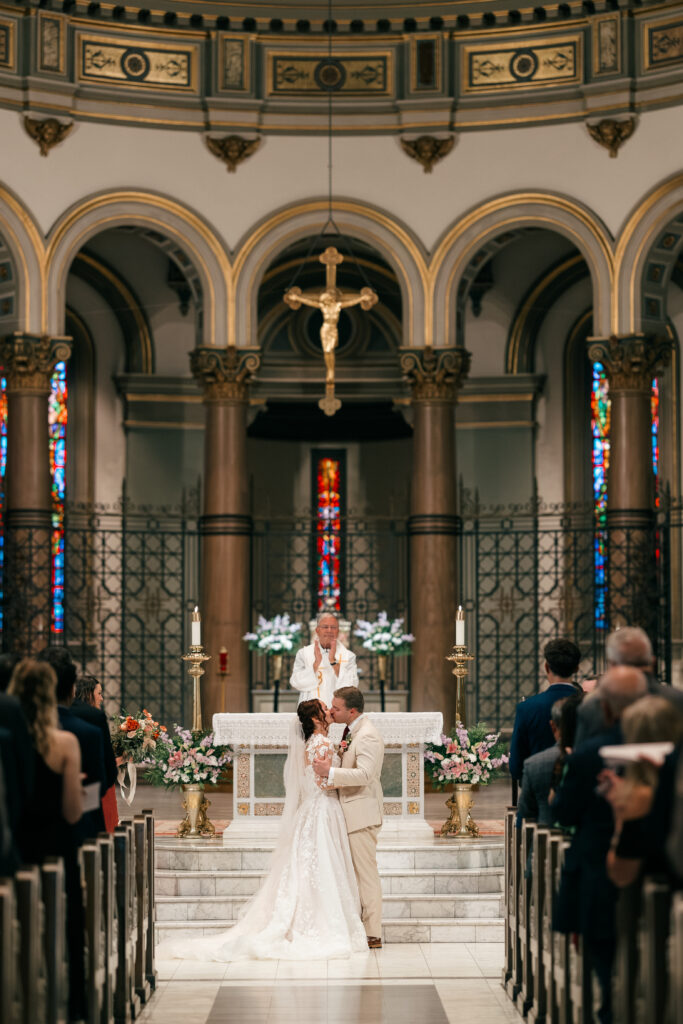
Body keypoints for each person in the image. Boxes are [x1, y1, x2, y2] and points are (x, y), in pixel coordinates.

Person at [158, 698, 368, 962]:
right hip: (324, 809)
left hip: (315, 812)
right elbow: (323, 783)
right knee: (323, 865)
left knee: (310, 868)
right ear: (315, 719)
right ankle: (325, 923)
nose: (328, 712)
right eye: (324, 709)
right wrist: (346, 782)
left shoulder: (310, 743)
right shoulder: (322, 743)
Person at [551, 666, 648, 1024]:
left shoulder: (590, 753)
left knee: (603, 950)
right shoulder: (667, 748)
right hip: (649, 864)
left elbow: (565, 812)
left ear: (605, 708)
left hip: (598, 867)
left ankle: (609, 1006)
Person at [8, 659, 85, 1022]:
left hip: (18, 845)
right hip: (56, 847)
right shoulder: (65, 743)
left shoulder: (9, 741)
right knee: (67, 926)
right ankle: (74, 1005)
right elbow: (73, 812)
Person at [313, 685, 385, 948]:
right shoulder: (351, 730)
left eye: (337, 708)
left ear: (352, 710)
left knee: (366, 874)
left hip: (361, 813)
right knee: (354, 874)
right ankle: (359, 926)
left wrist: (329, 772)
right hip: (349, 811)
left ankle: (373, 932)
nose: (331, 711)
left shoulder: (367, 736)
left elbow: (365, 775)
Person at [38, 646, 107, 839]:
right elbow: (101, 782)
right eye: (99, 693)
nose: (101, 698)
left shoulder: (20, 727)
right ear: (71, 689)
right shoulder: (87, 730)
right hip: (77, 828)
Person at [574, 626, 683, 748]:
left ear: (612, 665)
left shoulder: (594, 706)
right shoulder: (677, 700)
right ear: (653, 661)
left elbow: (581, 759)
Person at [509, 638, 581, 781]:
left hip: (538, 787)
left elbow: (516, 767)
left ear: (546, 667)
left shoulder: (527, 708)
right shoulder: (589, 704)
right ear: (576, 668)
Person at [71, 674, 118, 832]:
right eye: (99, 693)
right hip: (92, 786)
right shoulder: (94, 717)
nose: (102, 698)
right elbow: (104, 760)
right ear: (88, 693)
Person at [289, 611, 359, 707]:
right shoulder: (304, 653)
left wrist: (333, 661)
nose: (329, 630)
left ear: (338, 631)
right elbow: (295, 682)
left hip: (339, 712)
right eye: (325, 627)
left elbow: (352, 685)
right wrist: (315, 664)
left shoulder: (349, 656)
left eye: (333, 627)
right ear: (317, 630)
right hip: (311, 711)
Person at [516, 697, 567, 828]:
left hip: (545, 836)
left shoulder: (536, 764)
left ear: (553, 726)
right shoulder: (599, 756)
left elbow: (526, 810)